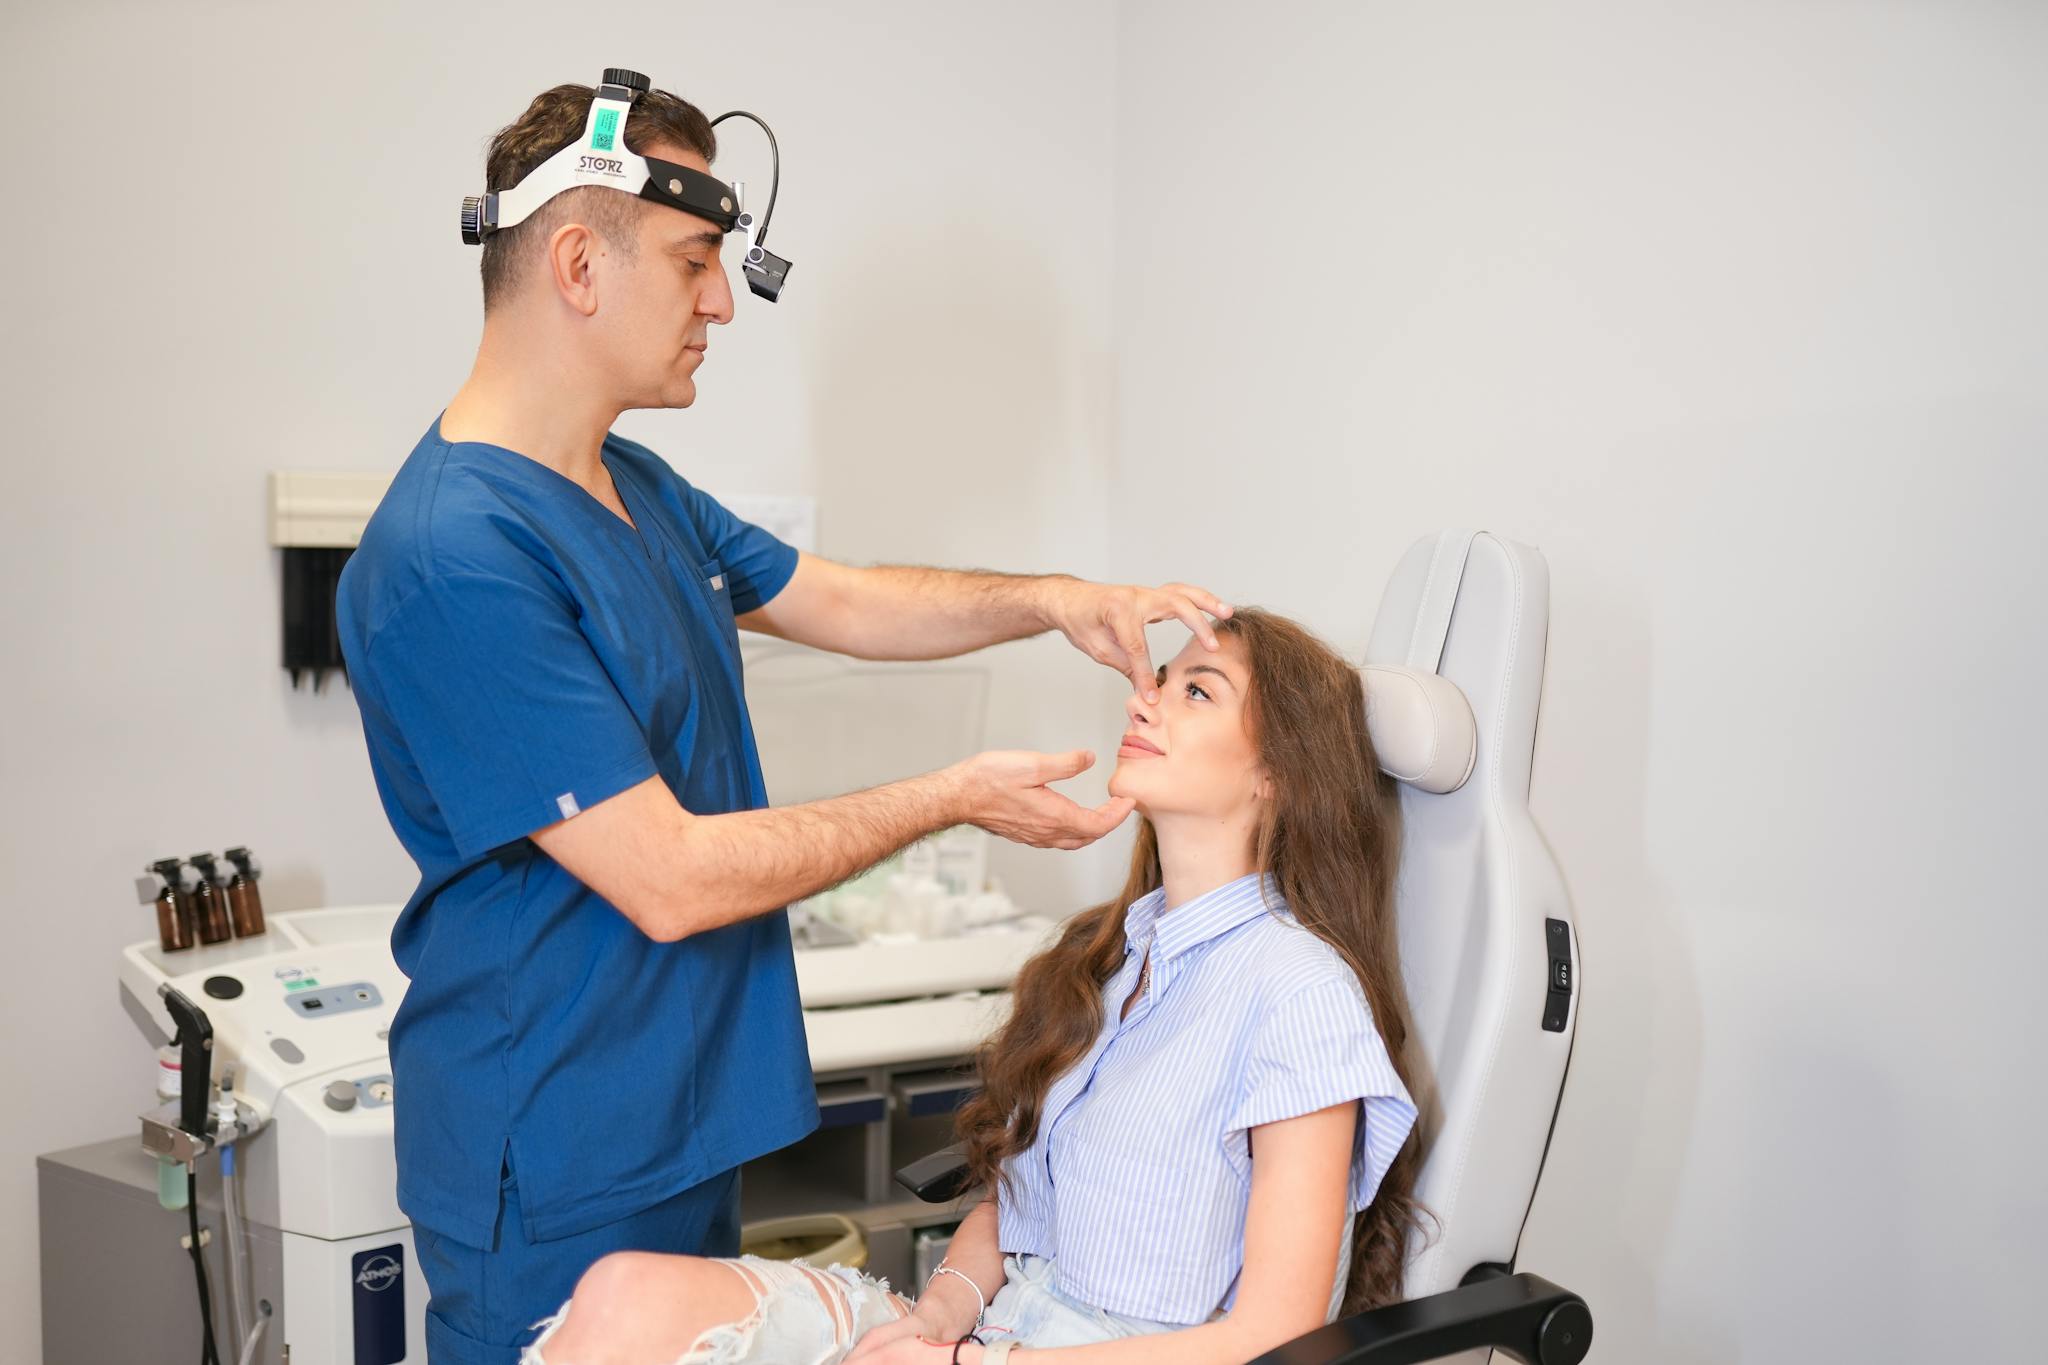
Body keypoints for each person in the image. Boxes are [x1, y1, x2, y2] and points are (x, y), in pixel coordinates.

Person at [334, 78, 1232, 1365]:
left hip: (676, 1117)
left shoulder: (630, 483)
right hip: (555, 1146)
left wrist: (1053, 599)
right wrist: (951, 797)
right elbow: (670, 881)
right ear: (578, 265)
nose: (719, 302)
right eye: (694, 260)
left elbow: (847, 602)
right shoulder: (455, 555)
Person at [519, 609, 1425, 1365]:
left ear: (1276, 775)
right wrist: (940, 1314)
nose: (1143, 699)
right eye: (1160, 678)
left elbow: (1277, 1336)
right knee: (623, 1295)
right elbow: (1020, 1202)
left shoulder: (1298, 990)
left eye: (1198, 690)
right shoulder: (1115, 956)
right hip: (995, 1329)